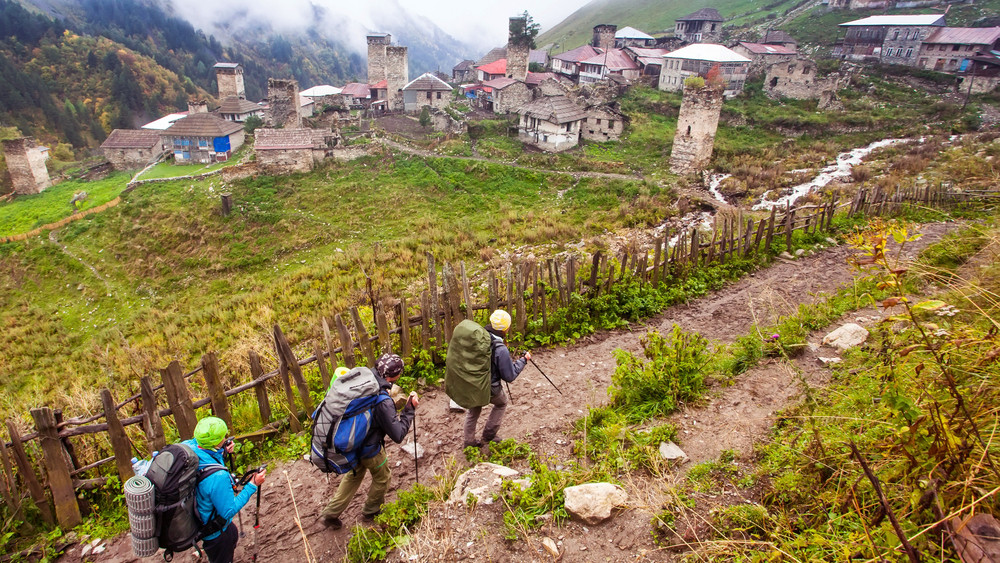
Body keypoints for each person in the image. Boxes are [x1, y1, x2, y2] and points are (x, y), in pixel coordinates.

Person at [321, 353, 419, 529]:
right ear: (393, 376)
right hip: (371, 449)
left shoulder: (364, 379)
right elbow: (398, 434)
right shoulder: (383, 401)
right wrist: (409, 409)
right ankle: (371, 510)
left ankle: (330, 513)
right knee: (383, 478)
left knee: (353, 476)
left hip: (351, 442)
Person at [184, 416, 266, 563]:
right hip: (214, 532)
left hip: (203, 516)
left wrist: (222, 452)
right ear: (216, 442)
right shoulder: (218, 477)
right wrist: (253, 484)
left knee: (232, 534)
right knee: (223, 552)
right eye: (223, 437)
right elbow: (229, 510)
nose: (226, 439)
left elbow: (210, 463)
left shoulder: (190, 447)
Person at [464, 309, 530, 448]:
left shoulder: (478, 337)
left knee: (473, 410)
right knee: (501, 403)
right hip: (490, 387)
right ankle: (488, 436)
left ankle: (468, 442)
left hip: (473, 382)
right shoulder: (500, 348)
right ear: (506, 328)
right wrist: (523, 360)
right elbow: (509, 376)